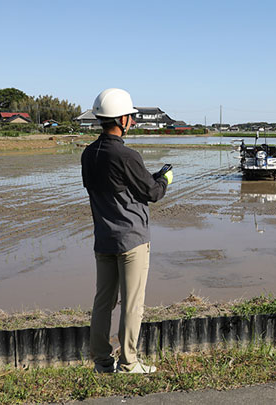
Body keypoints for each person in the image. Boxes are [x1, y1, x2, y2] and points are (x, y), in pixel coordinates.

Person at [81, 88, 173, 374]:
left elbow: (123, 187)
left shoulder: (88, 154)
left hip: (104, 239)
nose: (132, 121)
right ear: (122, 119)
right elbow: (152, 192)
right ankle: (129, 362)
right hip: (131, 239)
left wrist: (150, 180)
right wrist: (165, 178)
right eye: (130, 117)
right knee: (132, 304)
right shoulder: (126, 155)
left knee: (103, 302)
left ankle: (102, 362)